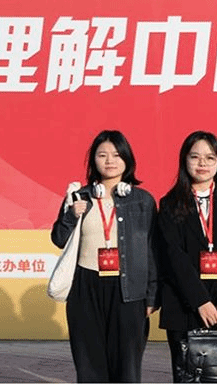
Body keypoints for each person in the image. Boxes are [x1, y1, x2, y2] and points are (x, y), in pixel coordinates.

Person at [51, 130, 158, 382]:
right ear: (93, 161)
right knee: (89, 365)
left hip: (129, 289)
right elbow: (58, 239)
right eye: (102, 155)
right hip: (85, 288)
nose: (110, 160)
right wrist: (71, 215)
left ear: (127, 159)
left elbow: (153, 250)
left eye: (117, 155)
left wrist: (152, 295)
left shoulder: (143, 201)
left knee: (127, 367)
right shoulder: (79, 197)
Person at [157, 131, 217, 382]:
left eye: (210, 158)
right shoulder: (169, 203)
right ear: (184, 160)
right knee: (188, 376)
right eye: (195, 157)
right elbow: (173, 257)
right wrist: (200, 301)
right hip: (184, 306)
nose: (202, 163)